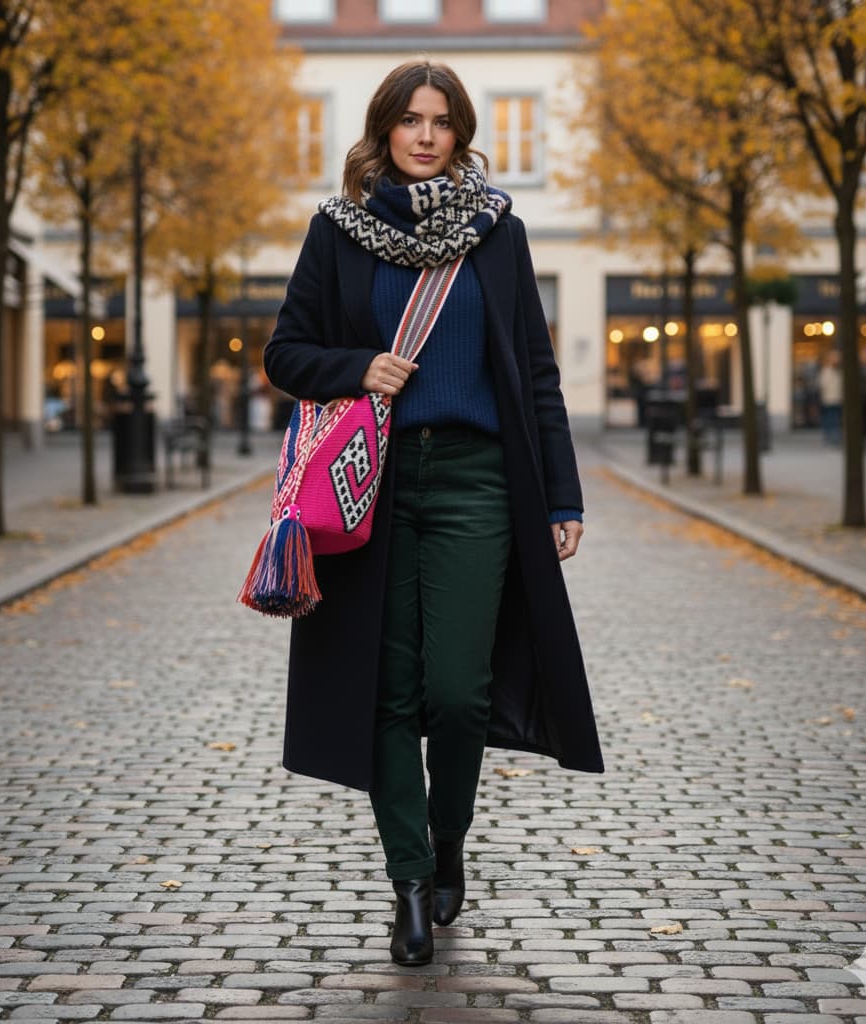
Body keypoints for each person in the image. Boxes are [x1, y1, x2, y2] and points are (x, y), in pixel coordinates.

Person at [261, 61, 604, 968]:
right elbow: (285, 353)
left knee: (458, 692)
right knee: (389, 689)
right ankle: (409, 879)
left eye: (440, 121)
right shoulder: (338, 233)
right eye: (409, 120)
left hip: (477, 482)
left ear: (460, 133)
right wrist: (357, 367)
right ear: (384, 130)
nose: (424, 135)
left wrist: (562, 492)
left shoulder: (499, 233)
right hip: (368, 486)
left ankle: (451, 841)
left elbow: (534, 371)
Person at [818, 348, 842, 445]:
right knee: (828, 418)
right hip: (828, 399)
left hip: (838, 399)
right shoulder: (826, 371)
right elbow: (822, 384)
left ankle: (836, 437)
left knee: (836, 418)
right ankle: (828, 436)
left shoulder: (840, 371)